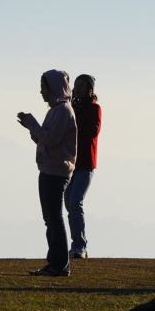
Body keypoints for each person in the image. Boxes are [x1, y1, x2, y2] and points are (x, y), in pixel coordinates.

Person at [17, 70, 77, 277]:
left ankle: (59, 265)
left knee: (54, 218)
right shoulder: (56, 110)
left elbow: (51, 139)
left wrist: (32, 124)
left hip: (55, 171)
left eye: (44, 87)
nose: (41, 92)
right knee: (51, 218)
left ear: (53, 88)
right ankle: (55, 263)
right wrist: (32, 128)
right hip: (49, 169)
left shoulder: (62, 110)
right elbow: (48, 139)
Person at [65, 74, 101, 259]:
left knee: (74, 202)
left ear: (89, 90)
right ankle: (76, 244)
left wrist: (73, 122)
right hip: (70, 163)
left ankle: (80, 246)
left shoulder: (94, 108)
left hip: (86, 164)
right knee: (69, 203)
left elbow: (93, 131)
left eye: (81, 85)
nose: (77, 87)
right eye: (75, 85)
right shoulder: (73, 107)